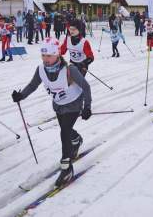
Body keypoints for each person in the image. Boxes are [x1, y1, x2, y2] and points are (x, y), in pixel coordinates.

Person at [11, 37, 92, 187]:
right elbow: (33, 85)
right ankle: (76, 140)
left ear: (57, 54)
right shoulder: (41, 69)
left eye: (49, 55)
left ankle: (66, 168)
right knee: (65, 130)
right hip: (59, 104)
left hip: (74, 103)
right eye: (43, 55)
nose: (46, 59)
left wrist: (87, 107)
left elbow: (86, 87)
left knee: (64, 133)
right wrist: (21, 95)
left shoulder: (70, 70)